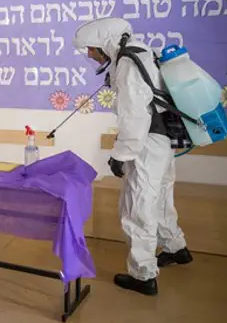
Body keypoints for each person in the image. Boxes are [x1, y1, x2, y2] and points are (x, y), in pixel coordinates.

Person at [73, 18, 193, 296]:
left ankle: (143, 274)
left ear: (104, 43)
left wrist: (120, 154)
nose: (89, 54)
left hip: (145, 143)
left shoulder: (128, 63)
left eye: (90, 48)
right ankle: (175, 247)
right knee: (160, 198)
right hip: (161, 141)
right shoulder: (142, 52)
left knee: (137, 206)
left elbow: (134, 115)